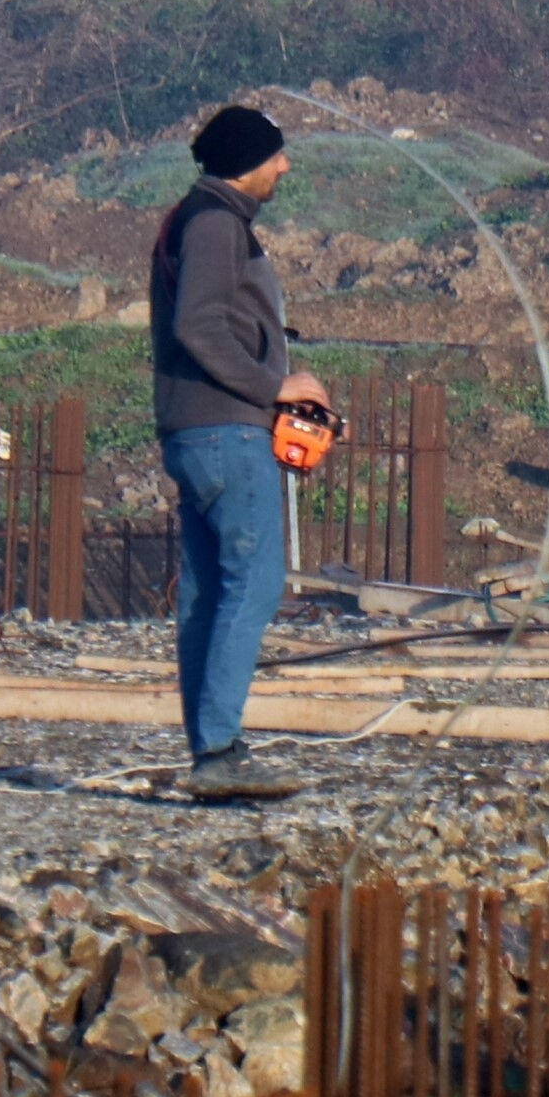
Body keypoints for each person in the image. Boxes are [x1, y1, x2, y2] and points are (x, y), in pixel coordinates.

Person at [151, 103, 333, 803]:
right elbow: (199, 325)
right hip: (227, 430)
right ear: (244, 164)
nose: (284, 166)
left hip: (192, 430)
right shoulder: (218, 224)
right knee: (255, 583)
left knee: (204, 593)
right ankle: (222, 751)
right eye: (275, 156)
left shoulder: (189, 219)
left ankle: (211, 752)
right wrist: (274, 385)